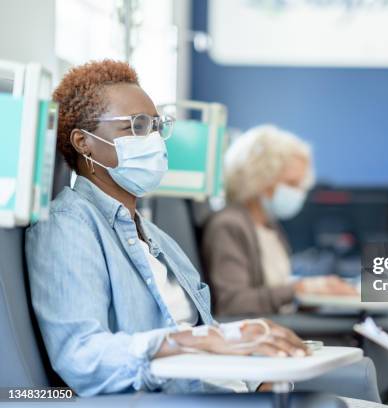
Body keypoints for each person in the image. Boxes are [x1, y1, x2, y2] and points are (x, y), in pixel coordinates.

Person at [25, 60, 309, 397]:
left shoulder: (153, 236)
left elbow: (205, 331)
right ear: (83, 142)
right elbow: (82, 356)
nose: (155, 139)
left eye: (158, 126)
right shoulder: (68, 227)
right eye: (137, 126)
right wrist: (186, 341)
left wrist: (258, 376)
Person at [203, 125, 356, 316]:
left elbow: (277, 297)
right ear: (259, 179)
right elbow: (233, 304)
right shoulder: (228, 225)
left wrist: (317, 291)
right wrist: (299, 289)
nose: (299, 192)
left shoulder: (269, 225)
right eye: (292, 184)